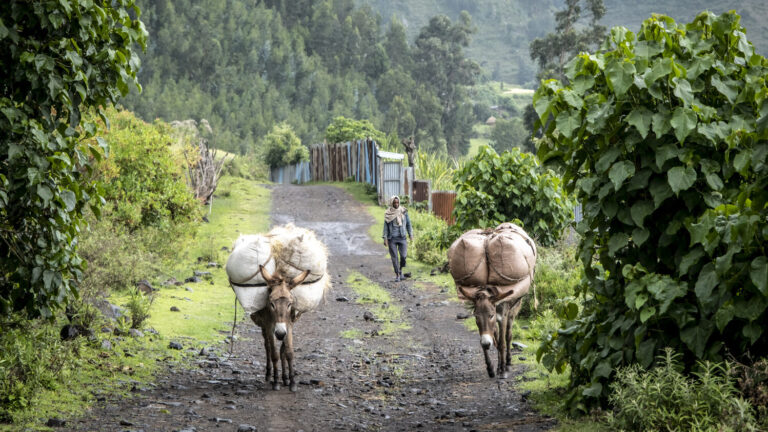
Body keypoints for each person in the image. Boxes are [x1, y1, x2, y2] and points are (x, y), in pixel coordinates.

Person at [382, 195, 413, 281]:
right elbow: (385, 227)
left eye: (397, 202)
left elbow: (408, 224)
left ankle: (400, 270)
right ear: (392, 203)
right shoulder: (388, 213)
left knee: (403, 256)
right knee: (394, 257)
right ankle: (398, 274)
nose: (396, 204)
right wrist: (385, 238)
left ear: (399, 202)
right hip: (392, 239)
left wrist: (410, 234)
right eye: (394, 202)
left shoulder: (403, 211)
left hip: (402, 237)